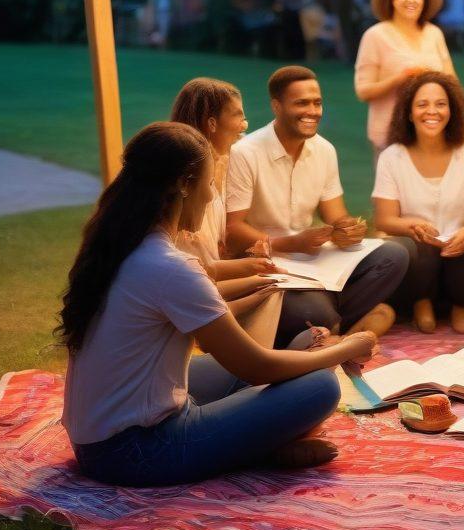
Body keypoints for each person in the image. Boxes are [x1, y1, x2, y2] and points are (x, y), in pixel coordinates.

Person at [59, 122, 377, 487]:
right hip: (137, 451)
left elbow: (241, 355)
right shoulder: (168, 266)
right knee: (320, 387)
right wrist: (351, 347)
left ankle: (259, 445)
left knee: (305, 346)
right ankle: (262, 448)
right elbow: (256, 368)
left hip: (100, 441)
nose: (212, 196)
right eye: (210, 183)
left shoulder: (122, 248)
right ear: (183, 184)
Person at [226, 66, 409, 346]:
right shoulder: (246, 153)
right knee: (314, 311)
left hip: (312, 260)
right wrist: (292, 243)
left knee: (396, 254)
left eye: (317, 102)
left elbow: (336, 215)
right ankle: (339, 325)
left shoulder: (324, 150)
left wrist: (349, 229)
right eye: (301, 103)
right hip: (268, 263)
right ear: (277, 106)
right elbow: (233, 230)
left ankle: (327, 327)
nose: (312, 110)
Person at [373, 71, 464, 335]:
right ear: (408, 113)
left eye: (441, 104)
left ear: (452, 110)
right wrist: (412, 225)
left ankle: (461, 303)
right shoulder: (392, 157)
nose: (432, 111)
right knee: (410, 248)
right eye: (422, 104)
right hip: (418, 255)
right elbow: (384, 220)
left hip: (458, 248)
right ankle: (421, 301)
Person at [170, 77, 283, 346]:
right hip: (190, 304)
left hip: (199, 288)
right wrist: (255, 281)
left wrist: (249, 267)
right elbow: (191, 280)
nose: (245, 126)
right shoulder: (188, 189)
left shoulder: (215, 167)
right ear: (211, 124)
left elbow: (204, 266)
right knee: (272, 292)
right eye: (238, 117)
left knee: (271, 286)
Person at [355, 0, 455, 153]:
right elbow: (363, 91)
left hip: (431, 135)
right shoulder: (375, 35)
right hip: (390, 136)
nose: (412, 0)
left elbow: (452, 83)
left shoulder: (434, 33)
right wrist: (400, 79)